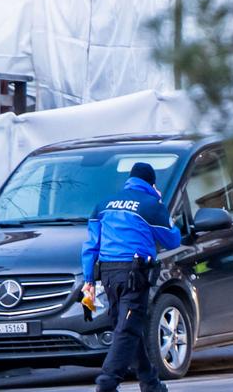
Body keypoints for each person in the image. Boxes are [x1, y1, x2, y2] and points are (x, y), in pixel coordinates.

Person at [80, 162, 183, 392]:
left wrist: (89, 281)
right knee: (127, 330)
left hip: (107, 275)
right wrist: (162, 207)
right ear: (151, 182)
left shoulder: (103, 205)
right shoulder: (150, 205)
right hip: (133, 275)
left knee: (127, 326)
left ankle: (150, 383)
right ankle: (107, 383)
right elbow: (173, 240)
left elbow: (90, 246)